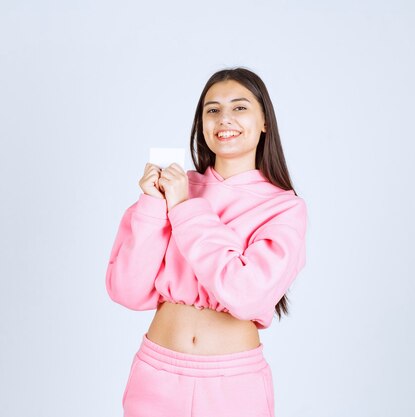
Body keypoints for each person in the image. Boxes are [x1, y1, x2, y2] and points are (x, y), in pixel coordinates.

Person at [106, 67, 307, 417]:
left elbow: (247, 294)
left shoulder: (284, 207)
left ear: (264, 123)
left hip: (233, 386)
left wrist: (184, 208)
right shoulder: (175, 187)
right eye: (212, 110)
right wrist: (154, 204)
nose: (224, 118)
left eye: (239, 107)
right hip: (155, 377)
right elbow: (126, 290)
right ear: (201, 124)